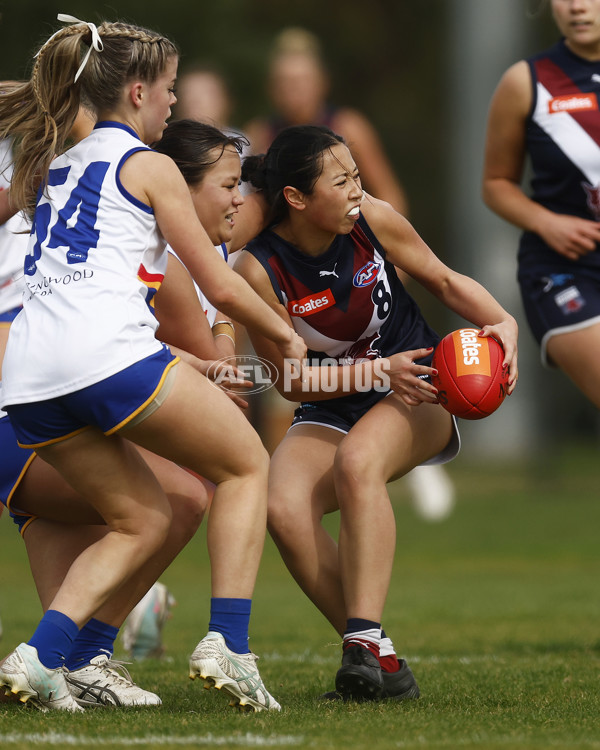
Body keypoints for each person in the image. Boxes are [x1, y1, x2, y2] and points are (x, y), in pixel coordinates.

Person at [0, 14, 305, 713]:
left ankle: (43, 658)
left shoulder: (54, 163)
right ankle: (229, 641)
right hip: (103, 355)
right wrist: (283, 336)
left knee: (142, 518)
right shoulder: (149, 164)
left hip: (31, 379)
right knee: (247, 463)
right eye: (168, 88)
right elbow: (220, 285)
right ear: (136, 92)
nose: (174, 103)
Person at [235, 124, 519, 701]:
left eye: (357, 176)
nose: (356, 191)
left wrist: (503, 321)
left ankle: (361, 643)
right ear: (296, 198)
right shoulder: (258, 270)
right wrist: (373, 372)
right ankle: (380, 661)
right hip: (334, 398)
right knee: (283, 507)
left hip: (417, 388)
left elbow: (441, 277)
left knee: (359, 462)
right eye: (341, 182)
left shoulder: (372, 219)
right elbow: (291, 381)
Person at [244, 26, 457, 519]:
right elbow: (246, 219)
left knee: (385, 381)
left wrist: (383, 258)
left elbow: (387, 198)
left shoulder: (347, 129)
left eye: (303, 80)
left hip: (361, 285)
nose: (294, 90)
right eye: (285, 81)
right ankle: (307, 473)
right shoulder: (262, 137)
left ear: (321, 83)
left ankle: (410, 461)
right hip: (302, 300)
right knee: (291, 407)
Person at [482, 0, 600, 411]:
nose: (577, 7)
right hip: (563, 269)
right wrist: (547, 223)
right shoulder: (526, 81)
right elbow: (496, 184)